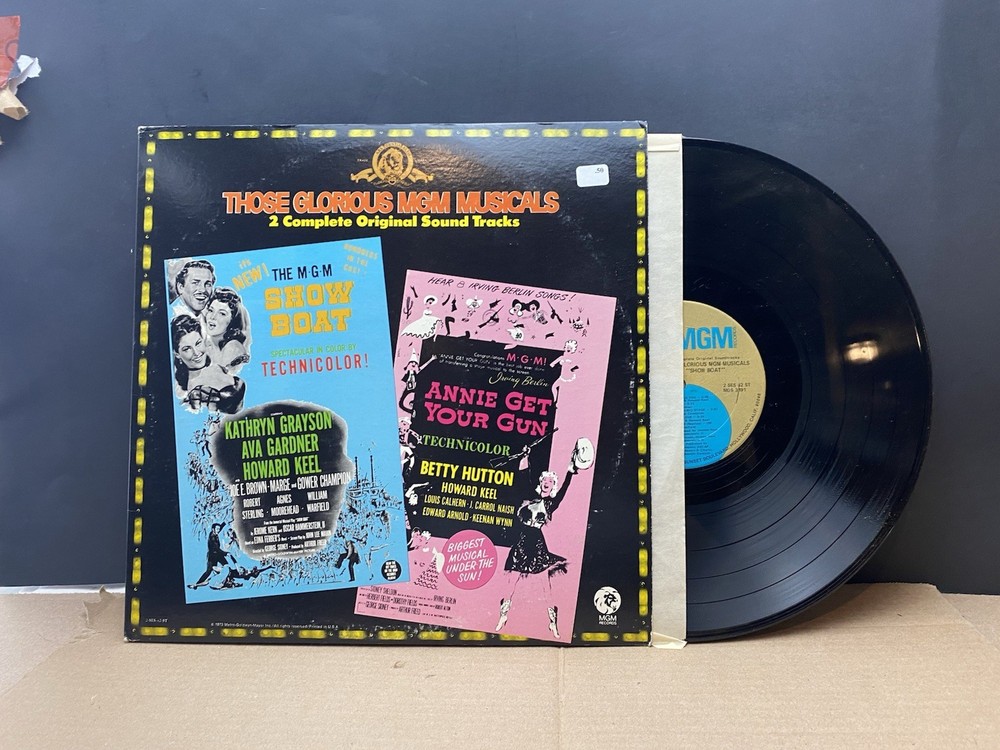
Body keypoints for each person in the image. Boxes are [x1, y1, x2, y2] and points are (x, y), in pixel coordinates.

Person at [495, 438, 594, 639]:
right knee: (512, 581)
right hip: (521, 541)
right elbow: (524, 475)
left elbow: (565, 487)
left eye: (550, 482)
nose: (547, 484)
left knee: (544, 584)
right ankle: (503, 616)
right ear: (540, 483)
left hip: (537, 543)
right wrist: (525, 456)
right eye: (544, 481)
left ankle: (553, 623)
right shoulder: (528, 495)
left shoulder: (551, 505)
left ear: (553, 486)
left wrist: (571, 469)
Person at [171, 314, 245, 414]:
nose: (196, 353)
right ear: (177, 354)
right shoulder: (194, 390)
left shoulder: (217, 366)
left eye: (198, 343)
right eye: (187, 349)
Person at [203, 287, 250, 374]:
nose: (212, 317)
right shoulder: (207, 344)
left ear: (232, 320)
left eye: (222, 313)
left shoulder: (233, 347)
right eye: (211, 310)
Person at [188, 522, 233, 589]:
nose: (218, 530)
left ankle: (227, 581)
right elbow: (217, 549)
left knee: (227, 567)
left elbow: (219, 529)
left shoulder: (214, 532)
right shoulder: (212, 538)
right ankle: (197, 584)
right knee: (208, 571)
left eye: (219, 529)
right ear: (213, 529)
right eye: (217, 529)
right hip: (212, 557)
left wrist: (224, 523)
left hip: (218, 555)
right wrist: (226, 553)